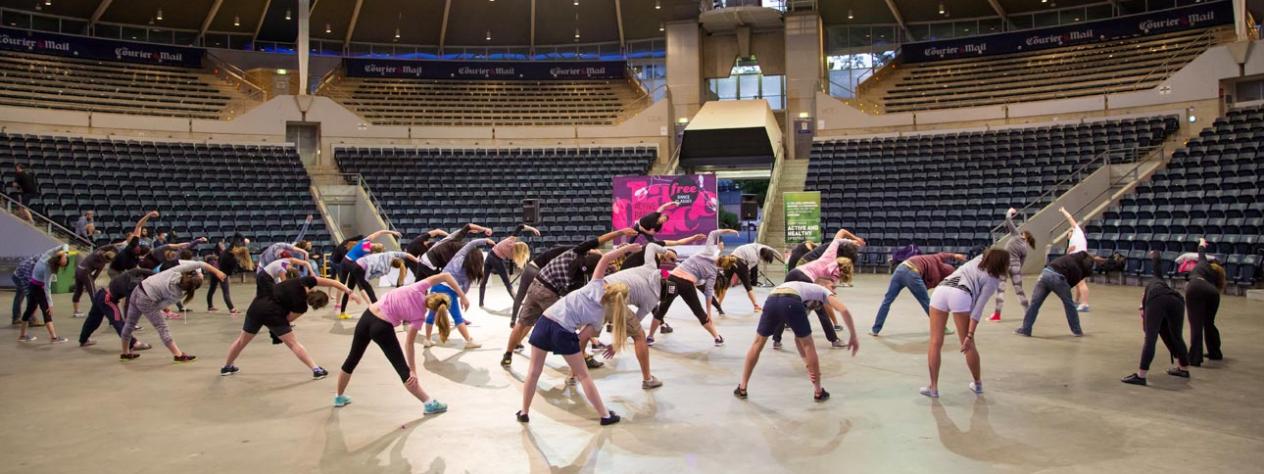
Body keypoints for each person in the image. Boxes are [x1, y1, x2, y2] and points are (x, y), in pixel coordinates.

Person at [516, 245, 639, 426]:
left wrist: (627, 249)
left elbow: (605, 259)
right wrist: (571, 351)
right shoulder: (599, 319)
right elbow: (581, 339)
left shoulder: (595, 284)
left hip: (544, 321)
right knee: (584, 376)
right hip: (564, 332)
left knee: (533, 372)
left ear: (609, 287)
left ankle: (524, 412)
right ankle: (605, 415)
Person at [332, 273, 469, 413]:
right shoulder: (419, 317)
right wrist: (413, 370)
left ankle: (339, 396)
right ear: (434, 310)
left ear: (433, 294)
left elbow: (446, 275)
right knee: (403, 370)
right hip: (382, 328)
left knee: (352, 359)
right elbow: (409, 344)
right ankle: (428, 403)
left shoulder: (417, 287)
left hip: (367, 316)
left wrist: (462, 296)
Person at [502, 228, 635, 366]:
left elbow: (601, 239)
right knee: (567, 324)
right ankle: (583, 357)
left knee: (522, 323)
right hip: (548, 292)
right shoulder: (578, 279)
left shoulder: (577, 251)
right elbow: (570, 298)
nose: (598, 251)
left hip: (536, 284)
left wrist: (621, 232)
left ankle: (508, 354)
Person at [734, 280, 859, 401]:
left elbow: (797, 339)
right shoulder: (822, 290)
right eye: (832, 286)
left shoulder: (805, 296)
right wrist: (853, 335)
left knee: (757, 343)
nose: (834, 290)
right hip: (789, 299)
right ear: (823, 284)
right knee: (809, 345)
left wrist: (807, 363)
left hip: (772, 299)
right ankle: (818, 391)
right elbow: (843, 309)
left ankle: (742, 387)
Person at [220, 274, 358, 379]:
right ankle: (316, 370)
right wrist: (276, 329)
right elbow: (287, 320)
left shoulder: (302, 281)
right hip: (273, 315)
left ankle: (227, 367)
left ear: (314, 290)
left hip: (256, 307)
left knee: (241, 341)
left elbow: (333, 282)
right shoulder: (301, 307)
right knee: (293, 344)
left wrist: (349, 292)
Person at [920, 249, 1009, 399]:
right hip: (961, 294)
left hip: (941, 290)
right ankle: (977, 383)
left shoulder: (977, 260)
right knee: (968, 345)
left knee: (935, 342)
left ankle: (933, 387)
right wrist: (970, 334)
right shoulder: (992, 280)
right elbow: (978, 310)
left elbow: (989, 253)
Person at [771, 229, 863, 349]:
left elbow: (838, 240)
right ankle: (833, 339)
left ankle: (776, 339)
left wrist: (852, 241)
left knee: (788, 306)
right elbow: (828, 286)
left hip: (794, 273)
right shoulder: (837, 267)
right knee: (820, 309)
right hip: (804, 277)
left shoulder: (829, 253)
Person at [646, 229, 739, 346]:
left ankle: (650, 337)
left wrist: (728, 231)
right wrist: (709, 314)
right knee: (699, 312)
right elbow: (708, 293)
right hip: (687, 284)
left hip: (673, 279)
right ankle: (717, 338)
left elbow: (712, 233)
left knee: (662, 309)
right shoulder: (713, 273)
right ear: (723, 267)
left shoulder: (709, 252)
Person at [119, 260, 226, 361]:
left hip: (139, 288)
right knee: (162, 327)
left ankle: (125, 353)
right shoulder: (177, 294)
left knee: (129, 324)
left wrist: (217, 272)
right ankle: (178, 355)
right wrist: (150, 307)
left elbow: (200, 264)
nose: (201, 273)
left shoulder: (176, 271)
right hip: (147, 299)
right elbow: (159, 306)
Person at [1122, 251, 1192, 386]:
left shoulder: (1149, 295)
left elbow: (1146, 325)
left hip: (1158, 299)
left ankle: (1141, 376)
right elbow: (1157, 266)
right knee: (1177, 336)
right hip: (1177, 299)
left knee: (1150, 338)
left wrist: (1146, 318)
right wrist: (1155, 255)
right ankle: (1184, 369)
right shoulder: (1159, 280)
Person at [870, 252, 967, 336]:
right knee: (927, 303)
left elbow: (943, 255)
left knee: (887, 301)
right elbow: (927, 287)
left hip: (901, 268)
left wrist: (954, 255)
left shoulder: (936, 258)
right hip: (912, 273)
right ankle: (942, 328)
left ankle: (875, 330)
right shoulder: (936, 275)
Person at [1015, 250, 1105, 337]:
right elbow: (1070, 284)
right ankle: (1077, 331)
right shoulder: (1079, 270)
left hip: (1045, 273)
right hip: (1058, 278)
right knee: (1069, 304)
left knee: (1035, 303)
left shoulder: (1072, 257)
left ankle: (1026, 329)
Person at [422, 238, 492, 348]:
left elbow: (471, 244)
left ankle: (427, 339)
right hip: (450, 292)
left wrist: (485, 240)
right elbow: (464, 289)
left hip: (436, 285)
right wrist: (462, 298)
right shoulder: (470, 273)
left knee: (431, 314)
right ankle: (469, 341)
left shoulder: (458, 257)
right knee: (458, 318)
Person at [77, 268, 153, 351]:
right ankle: (133, 343)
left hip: (100, 294)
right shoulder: (134, 285)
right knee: (118, 322)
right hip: (107, 299)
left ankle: (83, 340)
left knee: (93, 320)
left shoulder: (136, 273)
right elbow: (129, 304)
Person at [334, 229, 403, 318]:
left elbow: (379, 232)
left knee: (345, 286)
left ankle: (341, 311)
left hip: (345, 261)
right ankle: (374, 308)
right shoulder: (367, 253)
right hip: (350, 264)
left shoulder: (366, 241)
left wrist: (392, 232)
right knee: (358, 287)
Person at [989, 208, 1037, 321]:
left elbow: (1008, 220)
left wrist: (1010, 211)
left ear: (1024, 236)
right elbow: (1021, 263)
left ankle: (997, 314)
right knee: (1019, 290)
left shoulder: (1016, 235)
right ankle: (1028, 313)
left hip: (1005, 265)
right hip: (1016, 267)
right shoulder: (1025, 248)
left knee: (1001, 290)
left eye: (1022, 233)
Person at [17, 245, 71, 343]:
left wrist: (65, 253)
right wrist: (50, 304)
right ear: (57, 263)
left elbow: (64, 245)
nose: (61, 267)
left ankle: (22, 335)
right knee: (46, 311)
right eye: (61, 266)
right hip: (38, 288)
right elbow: (47, 287)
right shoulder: (49, 268)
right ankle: (54, 338)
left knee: (29, 310)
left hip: (32, 285)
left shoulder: (48, 254)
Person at [1185, 238, 1225, 367]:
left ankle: (1195, 358)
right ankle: (1215, 352)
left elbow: (1201, 251)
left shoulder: (1203, 264)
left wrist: (1202, 242)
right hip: (1213, 293)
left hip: (1195, 287)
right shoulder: (1215, 278)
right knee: (1209, 323)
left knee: (1196, 325)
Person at [478, 224, 540, 308]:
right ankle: (517, 301)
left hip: (490, 256)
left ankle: (481, 303)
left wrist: (532, 229)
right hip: (497, 260)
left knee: (484, 281)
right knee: (507, 283)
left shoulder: (511, 240)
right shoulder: (514, 254)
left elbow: (520, 226)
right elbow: (511, 262)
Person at [341, 249, 419, 314]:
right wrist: (366, 278)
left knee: (349, 288)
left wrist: (417, 260)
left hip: (356, 263)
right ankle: (377, 313)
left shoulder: (390, 253)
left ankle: (342, 312)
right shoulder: (386, 270)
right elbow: (373, 275)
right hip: (361, 269)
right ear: (394, 267)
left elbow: (406, 254)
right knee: (370, 292)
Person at [724, 242, 784, 311]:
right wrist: (741, 277)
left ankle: (718, 305)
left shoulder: (761, 246)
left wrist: (780, 255)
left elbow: (772, 249)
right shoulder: (755, 258)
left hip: (731, 257)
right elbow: (747, 269)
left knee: (725, 285)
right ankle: (756, 306)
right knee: (748, 287)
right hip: (739, 261)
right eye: (765, 260)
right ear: (763, 257)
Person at [107, 210, 160, 278]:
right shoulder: (132, 260)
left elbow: (139, 225)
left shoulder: (133, 245)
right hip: (115, 271)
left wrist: (149, 215)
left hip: (119, 269)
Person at [70, 244, 119, 318]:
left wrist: (115, 248)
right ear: (109, 260)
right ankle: (96, 312)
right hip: (85, 272)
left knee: (78, 291)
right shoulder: (102, 263)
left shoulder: (98, 251)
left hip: (78, 269)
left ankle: (75, 311)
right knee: (93, 293)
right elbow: (95, 275)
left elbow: (110, 246)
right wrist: (90, 283)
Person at [1059, 207, 1092, 312]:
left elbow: (1070, 218)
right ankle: (1077, 301)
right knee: (1078, 282)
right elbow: (1068, 255)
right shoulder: (1072, 242)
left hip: (1081, 259)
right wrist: (1068, 251)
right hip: (1077, 260)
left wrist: (1064, 211)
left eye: (1070, 230)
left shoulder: (1078, 232)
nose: (1069, 231)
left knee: (1081, 283)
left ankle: (1085, 304)